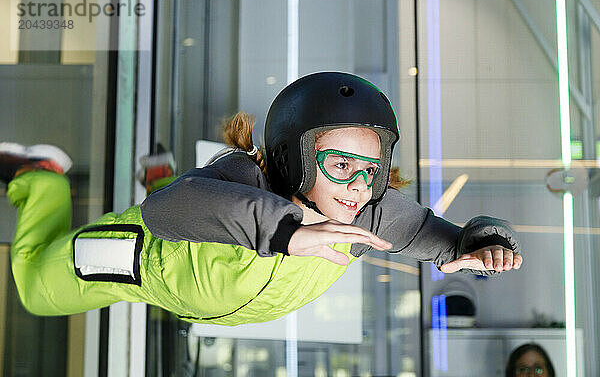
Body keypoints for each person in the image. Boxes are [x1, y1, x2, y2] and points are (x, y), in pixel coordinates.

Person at [1, 72, 522, 326]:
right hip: (143, 259)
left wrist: (484, 240)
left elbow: (446, 241)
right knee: (36, 288)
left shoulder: (368, 215)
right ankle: (40, 178)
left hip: (193, 288)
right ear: (292, 157)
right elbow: (167, 215)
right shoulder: (245, 176)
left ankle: (159, 174)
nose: (359, 187)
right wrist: (289, 234)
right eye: (340, 166)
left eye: (371, 169)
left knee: (193, 203)